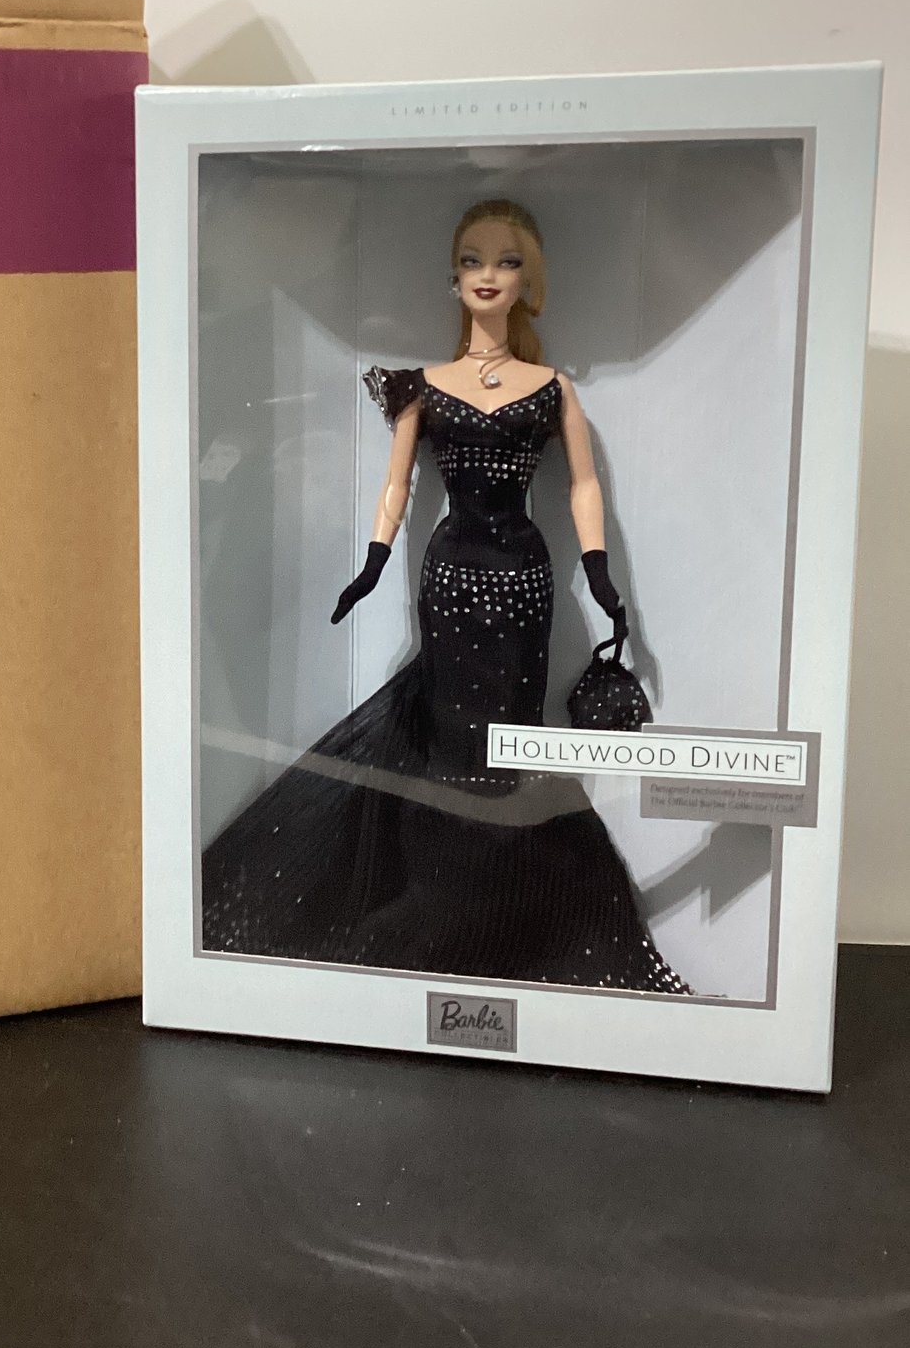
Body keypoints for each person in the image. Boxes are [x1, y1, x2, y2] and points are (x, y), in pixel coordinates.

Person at [201, 197, 689, 995]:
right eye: (472, 259)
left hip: (525, 582)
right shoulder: (422, 387)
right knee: (450, 740)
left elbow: (584, 485)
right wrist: (371, 563)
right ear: (452, 276)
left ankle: (497, 908)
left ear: (529, 278)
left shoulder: (552, 389)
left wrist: (600, 571)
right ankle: (444, 895)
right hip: (452, 578)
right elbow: (395, 487)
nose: (487, 275)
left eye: (506, 260)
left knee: (511, 745)